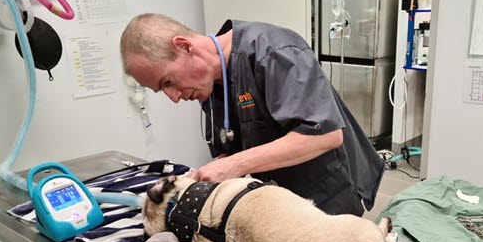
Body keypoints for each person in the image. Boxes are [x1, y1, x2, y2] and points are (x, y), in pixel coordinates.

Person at [120, 13, 384, 216]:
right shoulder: (209, 85)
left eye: (168, 82)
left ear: (184, 46)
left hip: (330, 192)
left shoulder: (274, 51)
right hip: (284, 200)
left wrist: (234, 165)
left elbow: (324, 136)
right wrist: (204, 176)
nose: (174, 97)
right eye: (161, 90)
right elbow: (236, 146)